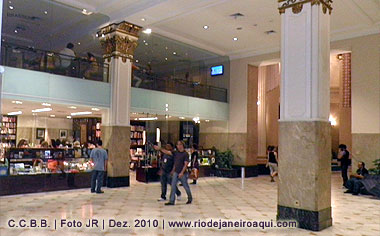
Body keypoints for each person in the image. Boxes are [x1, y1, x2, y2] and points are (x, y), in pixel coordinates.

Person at [154, 141, 192, 205]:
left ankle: (190, 198)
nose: (179, 146)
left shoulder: (185, 154)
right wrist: (159, 149)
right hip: (176, 172)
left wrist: (182, 173)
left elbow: (186, 164)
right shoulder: (176, 153)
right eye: (177, 145)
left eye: (180, 144)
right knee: (173, 186)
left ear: (183, 145)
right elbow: (168, 153)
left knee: (186, 186)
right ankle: (171, 201)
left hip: (182, 173)